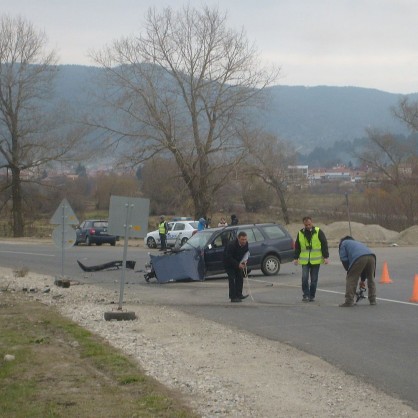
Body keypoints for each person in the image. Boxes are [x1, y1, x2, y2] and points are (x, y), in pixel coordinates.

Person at [294, 216, 329, 302]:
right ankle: (306, 294)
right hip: (305, 260)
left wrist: (326, 257)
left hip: (315, 260)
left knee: (314, 280)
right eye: (306, 225)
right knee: (304, 278)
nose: (308, 226)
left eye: (309, 224)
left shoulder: (318, 231)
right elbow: (297, 246)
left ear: (312, 222)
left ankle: (312, 295)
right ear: (304, 224)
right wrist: (295, 258)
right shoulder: (300, 233)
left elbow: (324, 244)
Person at [338, 236, 377, 307]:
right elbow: (364, 264)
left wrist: (348, 270)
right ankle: (373, 299)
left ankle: (349, 301)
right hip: (371, 256)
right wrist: (362, 280)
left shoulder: (343, 243)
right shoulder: (357, 242)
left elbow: (343, 258)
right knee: (371, 278)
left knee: (351, 279)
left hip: (359, 257)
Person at [223, 231, 249, 303]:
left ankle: (239, 294)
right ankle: (233, 297)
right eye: (242, 239)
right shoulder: (232, 245)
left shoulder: (246, 244)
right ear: (238, 238)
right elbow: (228, 257)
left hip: (238, 262)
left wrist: (245, 261)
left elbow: (246, 253)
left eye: (245, 239)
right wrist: (238, 265)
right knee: (232, 279)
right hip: (228, 263)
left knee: (240, 277)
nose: (244, 241)